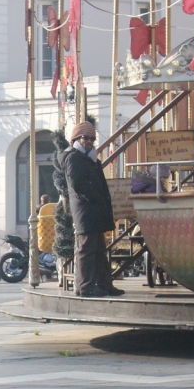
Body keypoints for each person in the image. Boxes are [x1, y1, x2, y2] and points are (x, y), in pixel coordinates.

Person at [58, 121, 123, 297]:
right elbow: (78, 184)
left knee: (100, 251)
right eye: (85, 138)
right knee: (86, 250)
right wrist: (95, 197)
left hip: (94, 210)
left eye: (92, 139)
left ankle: (104, 284)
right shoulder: (74, 158)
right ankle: (85, 286)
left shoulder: (90, 159)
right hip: (85, 211)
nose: (89, 141)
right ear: (77, 139)